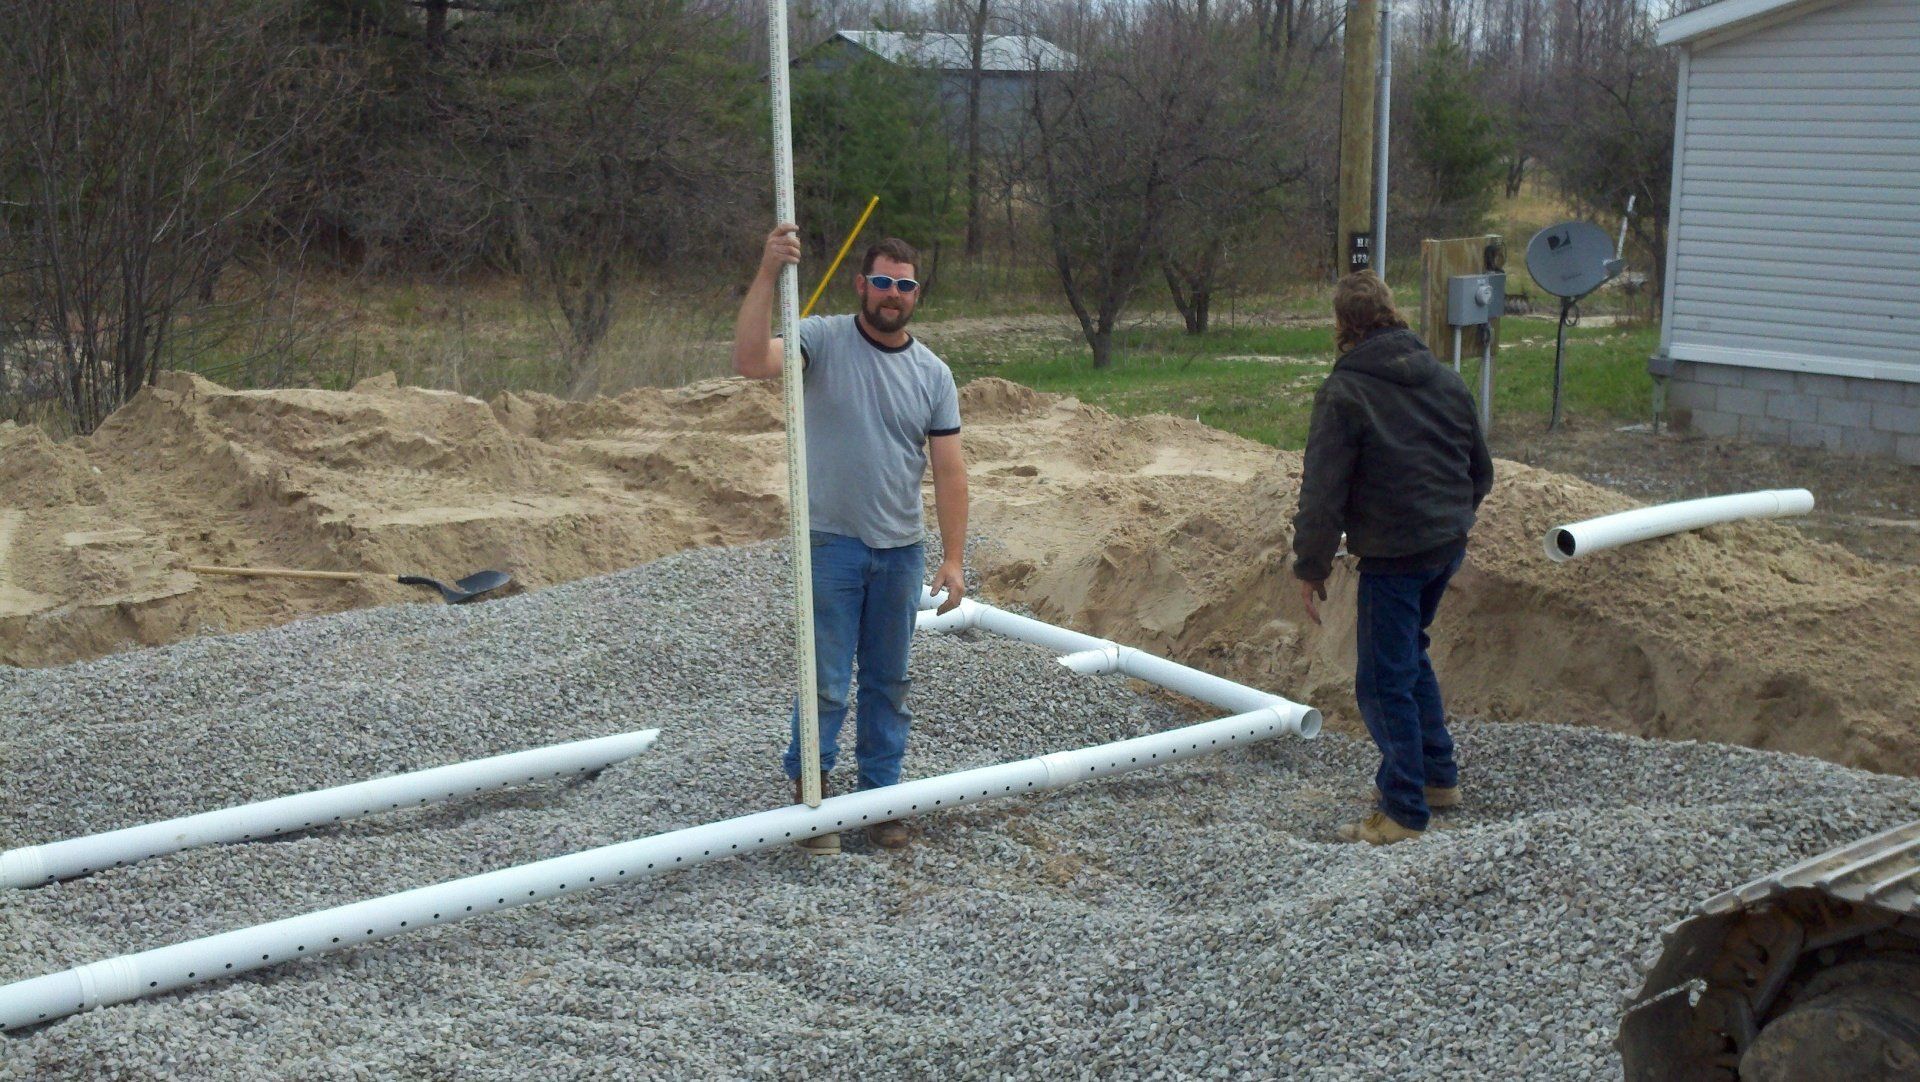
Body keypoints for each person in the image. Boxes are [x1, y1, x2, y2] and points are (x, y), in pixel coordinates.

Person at [732, 223, 969, 855]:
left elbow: (949, 470)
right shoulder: (823, 340)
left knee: (889, 685)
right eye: (883, 282)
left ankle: (880, 801)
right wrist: (766, 271)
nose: (893, 294)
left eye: (906, 285)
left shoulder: (933, 374)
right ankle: (812, 798)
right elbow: (751, 362)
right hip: (831, 545)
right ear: (863, 285)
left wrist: (952, 558)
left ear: (917, 294)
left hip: (900, 552)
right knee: (828, 680)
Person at [1293, 272, 1494, 846]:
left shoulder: (1344, 393)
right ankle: (1436, 778)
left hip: (1394, 556)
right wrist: (1451, 519)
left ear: (1341, 326)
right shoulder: (1447, 381)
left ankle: (1404, 809)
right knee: (1409, 655)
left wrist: (1310, 567)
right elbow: (1482, 471)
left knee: (1381, 683)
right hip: (1445, 547)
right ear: (1392, 312)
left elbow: (1322, 490)